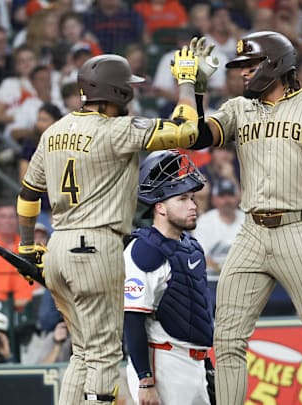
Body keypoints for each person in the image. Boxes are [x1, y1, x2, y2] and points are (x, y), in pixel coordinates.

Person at [177, 32, 302, 404]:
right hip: (251, 233)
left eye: (251, 66)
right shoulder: (237, 108)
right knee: (227, 339)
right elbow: (193, 137)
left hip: (300, 228)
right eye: (241, 68)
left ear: (276, 64)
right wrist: (192, 89)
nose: (243, 74)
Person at [16, 51, 203, 404]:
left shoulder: (53, 132)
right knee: (102, 353)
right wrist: (187, 82)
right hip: (96, 246)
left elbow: (27, 197)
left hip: (57, 246)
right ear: (118, 93)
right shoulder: (116, 130)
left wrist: (27, 247)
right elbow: (187, 130)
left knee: (82, 353)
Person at [123, 150, 212, 405]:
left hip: (194, 363)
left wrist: (205, 364)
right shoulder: (144, 250)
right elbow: (133, 319)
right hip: (164, 363)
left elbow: (196, 311)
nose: (193, 205)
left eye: (193, 198)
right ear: (159, 207)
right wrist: (145, 380)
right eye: (183, 199)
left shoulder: (190, 245)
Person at [193, 178, 244, 274]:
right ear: (214, 199)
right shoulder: (204, 221)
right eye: (222, 196)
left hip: (242, 277)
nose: (227, 200)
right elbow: (200, 256)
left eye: (230, 195)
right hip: (212, 279)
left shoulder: (246, 220)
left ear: (237, 198)